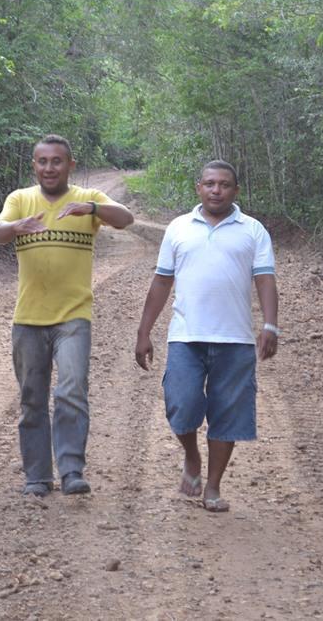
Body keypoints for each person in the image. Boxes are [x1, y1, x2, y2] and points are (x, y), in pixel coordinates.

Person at [0, 134, 134, 497]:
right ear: (34, 165)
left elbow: (127, 218)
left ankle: (71, 470)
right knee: (32, 398)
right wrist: (16, 227)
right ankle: (37, 476)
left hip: (74, 316)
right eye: (42, 161)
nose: (49, 167)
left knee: (71, 391)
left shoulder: (88, 200)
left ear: (70, 165)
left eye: (57, 161)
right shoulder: (20, 199)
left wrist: (94, 210)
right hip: (28, 318)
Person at [134, 159, 278, 513]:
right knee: (180, 403)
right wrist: (144, 331)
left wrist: (270, 325)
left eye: (224, 184)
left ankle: (212, 487)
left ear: (235, 190)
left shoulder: (253, 230)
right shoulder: (179, 228)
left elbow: (264, 279)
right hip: (186, 335)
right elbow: (162, 280)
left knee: (228, 415)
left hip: (236, 339)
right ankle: (192, 457)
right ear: (199, 187)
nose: (217, 190)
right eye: (210, 183)